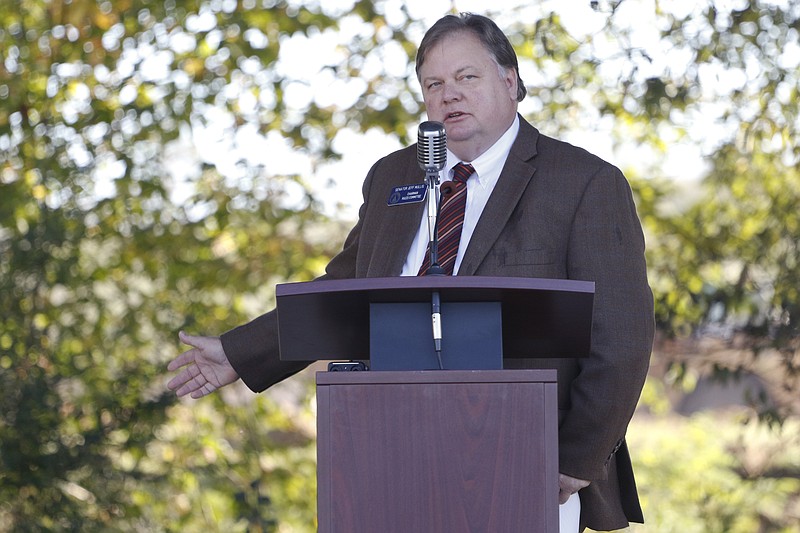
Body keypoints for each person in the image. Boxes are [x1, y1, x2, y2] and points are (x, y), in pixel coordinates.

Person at [167, 12, 654, 533]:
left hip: (526, 462)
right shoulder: (393, 177)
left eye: (467, 77)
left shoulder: (583, 182)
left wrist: (574, 460)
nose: (449, 95)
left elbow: (621, 336)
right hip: (388, 452)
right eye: (434, 84)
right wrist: (240, 354)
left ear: (509, 82)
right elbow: (344, 292)